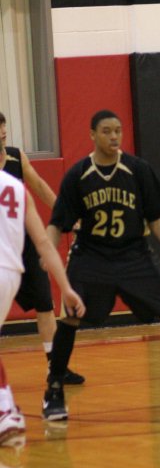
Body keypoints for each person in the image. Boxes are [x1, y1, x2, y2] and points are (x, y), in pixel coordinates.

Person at [41, 109, 160, 421]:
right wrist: (46, 252)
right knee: (70, 318)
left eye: (117, 130)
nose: (114, 136)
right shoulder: (78, 175)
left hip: (135, 255)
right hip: (92, 257)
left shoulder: (137, 170)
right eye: (106, 131)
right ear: (92, 135)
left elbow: (155, 216)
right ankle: (54, 391)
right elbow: (57, 222)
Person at [0, 170, 85, 446]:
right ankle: (7, 409)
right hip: (11, 274)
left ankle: (6, 410)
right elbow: (44, 243)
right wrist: (66, 287)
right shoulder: (17, 188)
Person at [0, 112, 85, 385]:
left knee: (45, 306)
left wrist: (67, 215)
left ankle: (55, 369)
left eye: (4, 128)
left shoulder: (16, 157)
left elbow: (39, 186)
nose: (2, 133)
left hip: (24, 247)